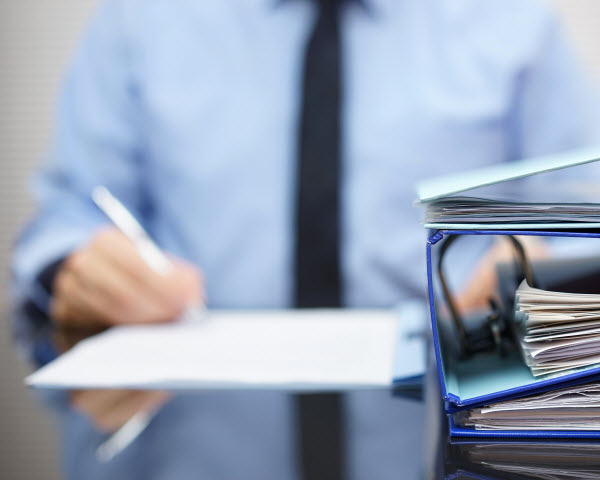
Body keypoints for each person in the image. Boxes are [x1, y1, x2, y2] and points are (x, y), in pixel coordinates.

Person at [11, 0, 600, 479]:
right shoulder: (138, 20)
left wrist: (546, 267)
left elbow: (582, 213)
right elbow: (69, 211)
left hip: (455, 407)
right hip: (175, 432)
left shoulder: (517, 21)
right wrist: (71, 266)